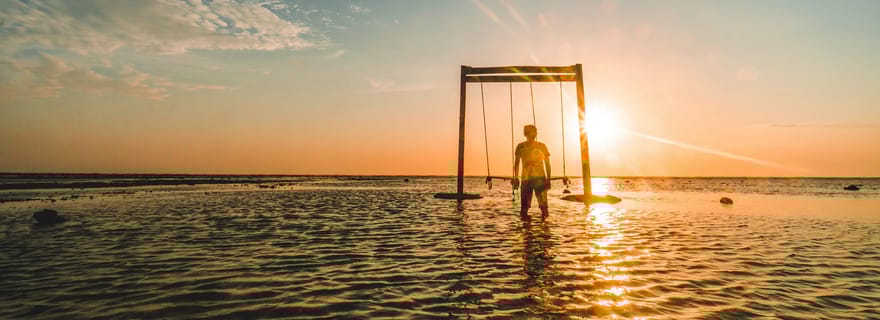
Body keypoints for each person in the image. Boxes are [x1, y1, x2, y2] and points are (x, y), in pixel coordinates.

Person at [513, 125, 551, 221]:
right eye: (534, 131)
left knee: (544, 207)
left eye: (536, 131)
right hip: (526, 179)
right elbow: (516, 164)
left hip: (540, 179)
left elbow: (547, 164)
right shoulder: (520, 146)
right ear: (527, 133)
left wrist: (548, 179)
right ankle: (526, 231)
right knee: (524, 208)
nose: (536, 133)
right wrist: (516, 178)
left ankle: (545, 230)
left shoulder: (542, 146)